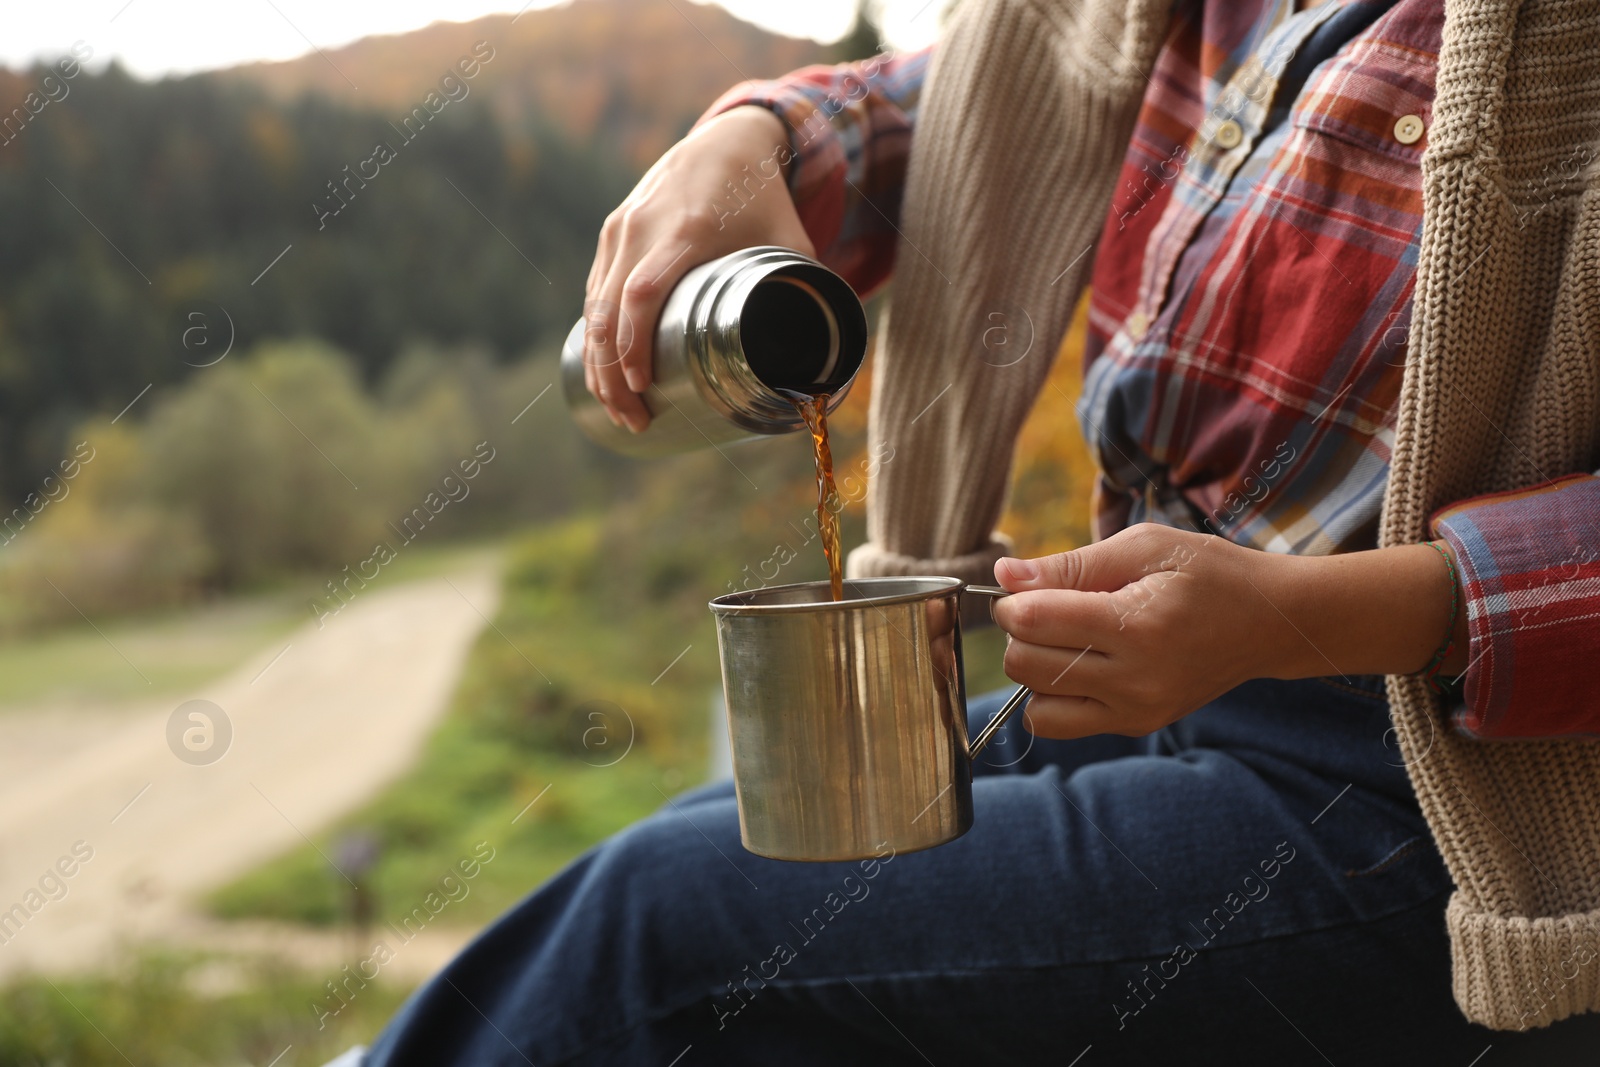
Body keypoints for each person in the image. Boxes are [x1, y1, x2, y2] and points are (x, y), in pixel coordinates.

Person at [351, 0, 1600, 1062]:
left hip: (1436, 789)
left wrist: (1294, 617)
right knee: (689, 835)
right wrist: (754, 133)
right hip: (1166, 682)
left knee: (654, 929)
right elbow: (995, 97)